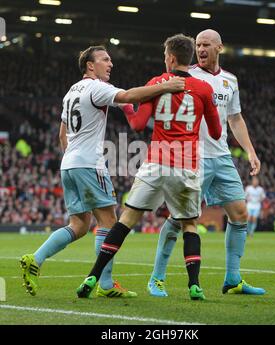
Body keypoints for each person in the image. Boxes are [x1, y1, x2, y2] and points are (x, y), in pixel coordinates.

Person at [20, 45, 185, 297]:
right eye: (105, 60)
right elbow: (129, 96)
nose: (110, 64)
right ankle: (105, 285)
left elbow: (62, 134)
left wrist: (72, 159)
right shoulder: (97, 87)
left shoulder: (70, 92)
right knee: (109, 221)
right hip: (88, 163)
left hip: (69, 164)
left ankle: (36, 258)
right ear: (90, 65)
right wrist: (166, 86)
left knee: (79, 225)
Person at [75, 33, 222, 301]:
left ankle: (93, 276)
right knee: (189, 225)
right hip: (185, 165)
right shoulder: (204, 89)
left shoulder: (156, 84)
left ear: (172, 58)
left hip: (155, 163)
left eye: (165, 56)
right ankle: (194, 285)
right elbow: (215, 132)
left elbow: (138, 126)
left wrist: (130, 109)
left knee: (126, 221)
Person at [147, 29, 266, 297]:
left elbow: (235, 119)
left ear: (219, 48)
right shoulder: (185, 76)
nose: (200, 49)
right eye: (198, 44)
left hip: (221, 156)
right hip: (193, 158)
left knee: (239, 215)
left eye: (206, 45)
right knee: (179, 219)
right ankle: (157, 277)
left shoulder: (229, 81)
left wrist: (250, 151)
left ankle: (233, 279)